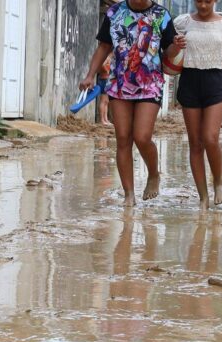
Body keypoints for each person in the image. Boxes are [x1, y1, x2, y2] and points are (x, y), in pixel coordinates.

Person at [79, 0, 185, 207]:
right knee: (123, 138)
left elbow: (168, 53)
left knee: (142, 137)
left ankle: (153, 174)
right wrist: (90, 75)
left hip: (150, 84)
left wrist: (176, 45)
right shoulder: (114, 12)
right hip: (119, 83)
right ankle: (129, 195)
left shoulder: (161, 15)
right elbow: (104, 47)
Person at [174, 0, 222, 208]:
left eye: (208, 1)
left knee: (210, 138)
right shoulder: (182, 23)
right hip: (189, 81)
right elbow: (169, 51)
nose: (203, 5)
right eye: (199, 1)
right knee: (195, 143)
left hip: (215, 81)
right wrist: (174, 45)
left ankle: (218, 183)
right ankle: (203, 197)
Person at [97, 54, 113, 126]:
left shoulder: (110, 57)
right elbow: (102, 65)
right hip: (104, 79)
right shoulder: (105, 56)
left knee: (106, 101)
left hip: (107, 79)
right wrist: (107, 71)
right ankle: (102, 120)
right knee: (103, 101)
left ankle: (105, 119)